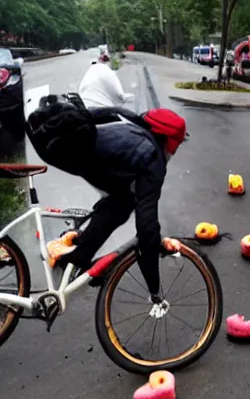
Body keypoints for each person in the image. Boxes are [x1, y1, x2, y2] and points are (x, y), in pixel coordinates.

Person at [29, 99, 186, 303]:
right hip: (69, 150)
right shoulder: (152, 156)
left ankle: (80, 255)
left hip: (48, 139)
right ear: (171, 141)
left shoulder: (131, 123)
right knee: (125, 204)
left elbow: (98, 113)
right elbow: (146, 226)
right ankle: (81, 254)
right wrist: (154, 289)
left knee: (122, 200)